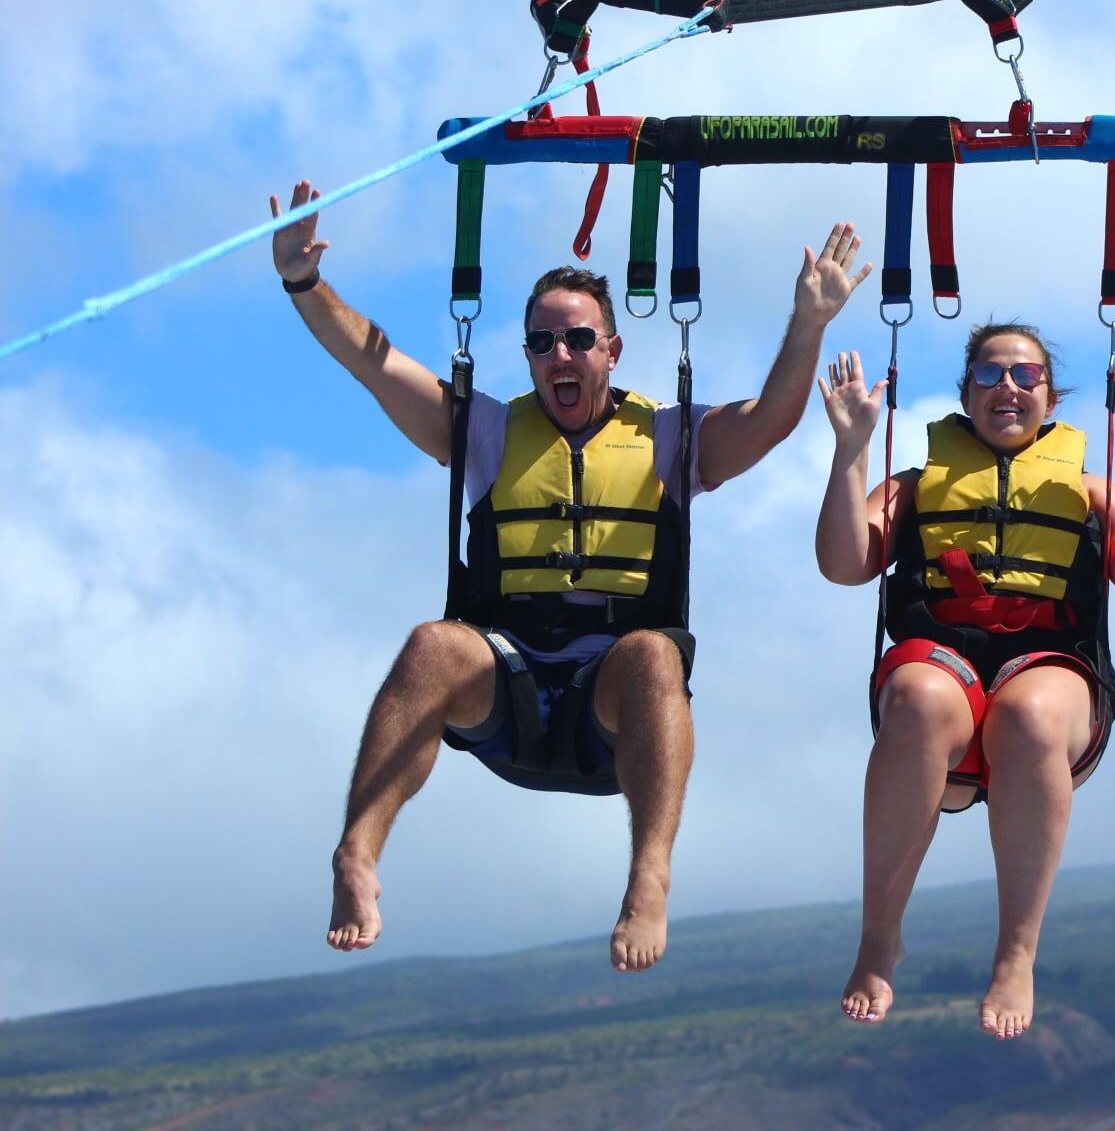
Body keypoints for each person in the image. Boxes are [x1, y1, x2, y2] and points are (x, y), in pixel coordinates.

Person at [269, 180, 871, 972]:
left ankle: (648, 878)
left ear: (611, 351)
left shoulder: (666, 435)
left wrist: (809, 323)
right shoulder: (485, 431)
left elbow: (770, 422)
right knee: (432, 644)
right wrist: (303, 283)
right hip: (506, 688)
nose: (562, 355)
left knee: (658, 655)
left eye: (579, 340)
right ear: (526, 354)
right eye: (544, 342)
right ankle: (355, 854)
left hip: (611, 708)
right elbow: (372, 361)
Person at [814, 322, 1115, 1038]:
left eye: (1026, 377)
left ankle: (1017, 953)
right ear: (965, 395)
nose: (1008, 390)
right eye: (990, 376)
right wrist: (849, 451)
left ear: (1050, 400)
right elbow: (844, 563)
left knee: (1026, 714)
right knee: (921, 698)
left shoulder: (1083, 487)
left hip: (1048, 676)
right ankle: (878, 938)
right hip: (943, 676)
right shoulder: (920, 485)